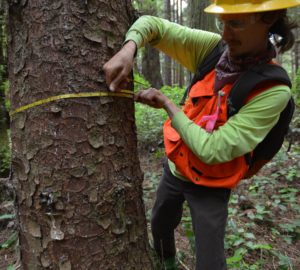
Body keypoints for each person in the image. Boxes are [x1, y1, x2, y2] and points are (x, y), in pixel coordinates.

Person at [103, 1, 300, 269]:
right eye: (224, 23)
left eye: (237, 23)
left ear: (270, 17)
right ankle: (166, 264)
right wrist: (129, 48)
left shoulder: (272, 90)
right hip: (176, 166)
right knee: (161, 223)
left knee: (210, 261)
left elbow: (212, 150)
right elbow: (154, 25)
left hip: (213, 183)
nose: (226, 35)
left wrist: (167, 104)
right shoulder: (213, 51)